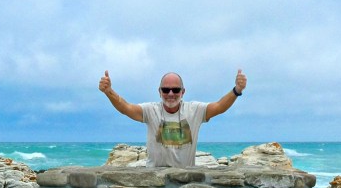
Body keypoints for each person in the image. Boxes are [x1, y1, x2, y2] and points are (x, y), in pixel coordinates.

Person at [99, 69, 247, 167]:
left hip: (186, 179)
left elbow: (219, 106)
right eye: (166, 90)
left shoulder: (194, 110)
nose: (170, 94)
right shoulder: (150, 110)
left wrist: (237, 90)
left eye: (175, 90)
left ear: (183, 92)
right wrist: (108, 91)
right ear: (159, 91)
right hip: (156, 179)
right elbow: (126, 108)